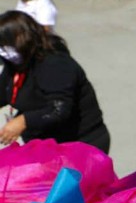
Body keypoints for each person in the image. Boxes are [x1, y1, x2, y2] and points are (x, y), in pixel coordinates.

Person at [0, 11, 110, 152]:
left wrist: (23, 121)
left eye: (5, 46)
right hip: (45, 146)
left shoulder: (55, 63)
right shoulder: (15, 65)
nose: (2, 52)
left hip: (80, 144)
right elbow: (3, 92)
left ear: (22, 38)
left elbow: (58, 109)